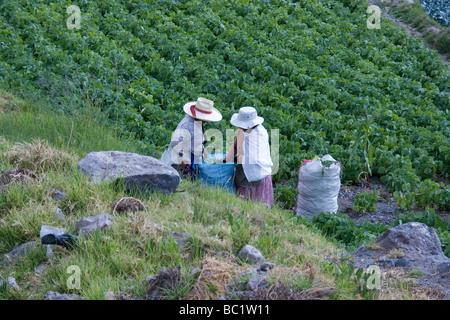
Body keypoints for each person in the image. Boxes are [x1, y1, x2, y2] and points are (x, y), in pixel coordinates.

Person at [161, 97, 222, 179]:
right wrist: (182, 157)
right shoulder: (188, 124)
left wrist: (203, 149)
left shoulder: (197, 122)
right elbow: (175, 142)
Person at [224, 107, 274, 206]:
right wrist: (226, 159)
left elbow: (254, 158)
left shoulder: (258, 134)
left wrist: (238, 159)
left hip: (256, 174)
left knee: (255, 205)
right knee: (241, 205)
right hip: (243, 171)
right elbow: (235, 145)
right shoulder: (243, 130)